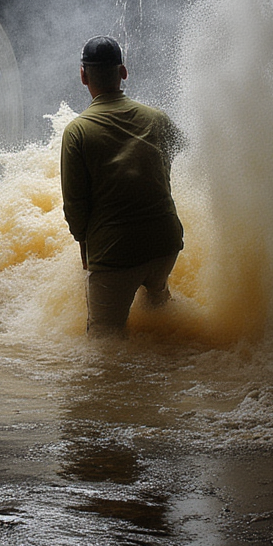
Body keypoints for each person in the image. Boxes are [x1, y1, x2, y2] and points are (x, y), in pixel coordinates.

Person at [60, 36, 184, 334]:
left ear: (83, 75)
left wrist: (85, 250)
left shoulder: (77, 131)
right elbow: (179, 148)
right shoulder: (157, 119)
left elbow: (75, 206)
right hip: (165, 243)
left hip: (114, 253)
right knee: (159, 316)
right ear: (123, 72)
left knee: (105, 344)